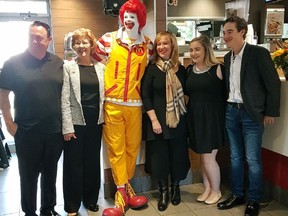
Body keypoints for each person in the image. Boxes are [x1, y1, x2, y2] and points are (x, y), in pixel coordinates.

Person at [92, 0, 153, 215]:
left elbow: (151, 73)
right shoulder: (107, 40)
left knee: (132, 148)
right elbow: (95, 62)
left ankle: (126, 187)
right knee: (115, 149)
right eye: (126, 15)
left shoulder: (148, 44)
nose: (128, 20)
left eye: (133, 16)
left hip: (136, 105)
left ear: (141, 20)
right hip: (113, 104)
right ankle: (120, 193)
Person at [217, 16, 281, 216]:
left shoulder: (258, 53)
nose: (226, 36)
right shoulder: (228, 58)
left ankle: (253, 199)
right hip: (231, 112)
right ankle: (238, 194)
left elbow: (273, 84)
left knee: (252, 158)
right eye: (224, 32)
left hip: (251, 113)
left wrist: (270, 111)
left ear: (242, 32)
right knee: (235, 157)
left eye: (230, 32)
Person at [0, 21, 63, 216]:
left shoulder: (58, 63)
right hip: (26, 132)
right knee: (28, 176)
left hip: (54, 130)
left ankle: (48, 209)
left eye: (39, 37)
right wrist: (9, 124)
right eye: (31, 37)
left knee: (50, 174)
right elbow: (3, 95)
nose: (34, 41)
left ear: (49, 40)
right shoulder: (13, 63)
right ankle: (29, 212)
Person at [141, 31, 190, 212]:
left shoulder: (182, 69)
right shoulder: (152, 68)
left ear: (172, 46)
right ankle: (163, 192)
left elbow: (188, 93)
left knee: (178, 157)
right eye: (159, 44)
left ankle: (176, 188)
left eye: (165, 44)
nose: (161, 47)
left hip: (178, 121)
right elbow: (145, 96)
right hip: (157, 122)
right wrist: (154, 120)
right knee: (159, 158)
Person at [61, 28, 105, 216]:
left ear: (92, 44)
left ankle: (91, 200)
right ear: (73, 46)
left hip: (96, 122)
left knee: (92, 162)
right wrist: (67, 127)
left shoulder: (101, 67)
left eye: (85, 42)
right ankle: (72, 205)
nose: (81, 46)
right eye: (77, 43)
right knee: (73, 164)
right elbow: (64, 99)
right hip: (76, 123)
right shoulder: (67, 67)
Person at [186, 35, 225, 205]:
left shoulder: (218, 68)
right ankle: (207, 188)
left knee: (209, 158)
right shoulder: (189, 70)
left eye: (197, 49)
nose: (193, 53)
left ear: (206, 50)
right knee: (203, 157)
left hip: (212, 119)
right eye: (191, 49)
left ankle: (216, 191)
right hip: (195, 118)